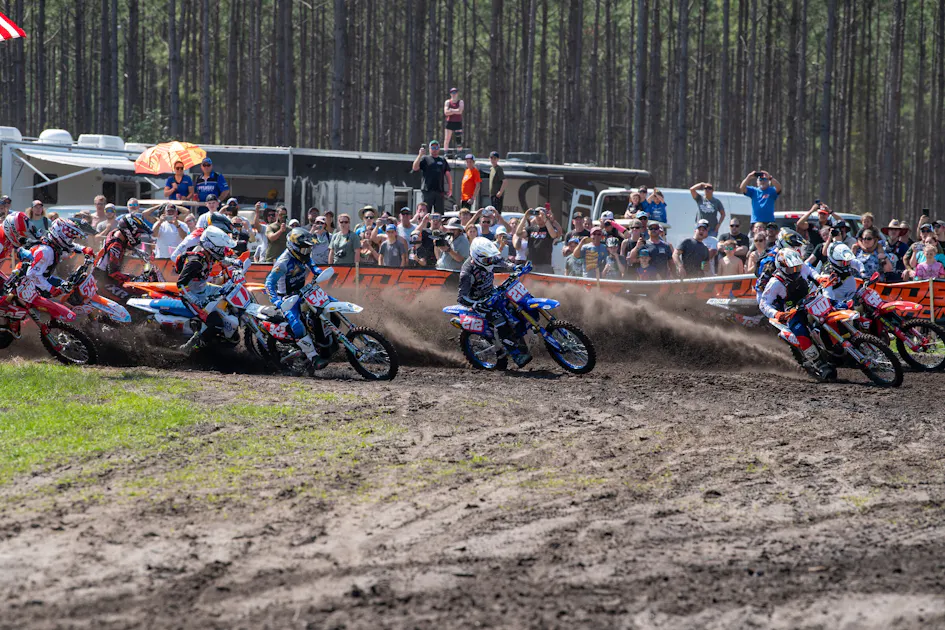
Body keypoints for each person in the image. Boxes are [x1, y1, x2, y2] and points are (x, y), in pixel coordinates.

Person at [457, 237, 532, 367]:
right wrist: (476, 304)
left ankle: (520, 339)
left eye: (490, 258)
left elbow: (501, 261)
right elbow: (461, 298)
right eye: (487, 260)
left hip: (492, 293)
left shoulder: (488, 258)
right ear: (477, 257)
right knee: (501, 321)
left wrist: (515, 267)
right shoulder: (467, 273)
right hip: (479, 303)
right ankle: (516, 355)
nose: (490, 261)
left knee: (514, 308)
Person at [758, 248, 831, 378]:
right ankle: (818, 363)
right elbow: (763, 303)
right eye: (791, 269)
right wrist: (776, 314)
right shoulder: (775, 282)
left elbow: (811, 271)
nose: (795, 271)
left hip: (812, 300)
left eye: (797, 267)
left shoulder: (801, 267)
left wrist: (819, 278)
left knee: (837, 306)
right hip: (793, 311)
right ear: (782, 268)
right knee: (800, 330)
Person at [265, 229, 329, 370]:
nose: (307, 252)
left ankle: (327, 339)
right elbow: (269, 283)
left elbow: (311, 264)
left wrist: (318, 272)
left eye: (308, 249)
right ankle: (313, 357)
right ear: (294, 247)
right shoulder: (283, 263)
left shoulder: (303, 256)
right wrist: (276, 301)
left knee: (329, 302)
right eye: (305, 249)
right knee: (297, 325)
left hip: (303, 292)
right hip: (288, 298)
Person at [176, 226, 240, 350]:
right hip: (191, 295)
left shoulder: (207, 254)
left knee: (231, 293)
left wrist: (233, 262)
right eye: (221, 248)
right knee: (215, 323)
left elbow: (222, 260)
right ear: (211, 246)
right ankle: (190, 347)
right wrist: (196, 301)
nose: (223, 251)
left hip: (203, 288)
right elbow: (181, 284)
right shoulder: (195, 262)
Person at [23, 219, 95, 302]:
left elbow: (70, 245)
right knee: (64, 306)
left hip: (43, 278)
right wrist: (51, 289)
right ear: (60, 234)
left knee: (69, 288)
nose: (71, 241)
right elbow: (32, 275)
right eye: (70, 238)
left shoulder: (52, 242)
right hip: (29, 287)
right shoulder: (46, 251)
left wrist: (83, 249)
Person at [94, 211, 153, 283]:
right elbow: (113, 272)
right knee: (135, 289)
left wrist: (137, 251)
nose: (138, 236)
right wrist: (133, 279)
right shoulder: (115, 246)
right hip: (102, 280)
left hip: (103, 275)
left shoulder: (118, 233)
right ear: (129, 231)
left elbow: (125, 244)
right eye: (138, 233)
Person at [513, 205, 560, 273]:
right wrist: (525, 217)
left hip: (544, 264)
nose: (538, 217)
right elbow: (518, 233)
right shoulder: (531, 229)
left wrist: (545, 219)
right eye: (536, 215)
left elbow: (553, 235)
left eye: (540, 215)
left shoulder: (550, 228)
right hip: (530, 264)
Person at [412, 140, 453, 213]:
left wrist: (450, 189)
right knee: (426, 212)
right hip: (427, 190)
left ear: (439, 149)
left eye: (436, 147)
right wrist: (420, 155)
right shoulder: (425, 159)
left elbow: (448, 175)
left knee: (439, 213)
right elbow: (415, 168)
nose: (435, 149)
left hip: (439, 191)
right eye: (433, 148)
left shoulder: (442, 160)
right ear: (429, 149)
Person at [443, 87, 464, 152]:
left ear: (457, 93)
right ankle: (445, 152)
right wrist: (456, 111)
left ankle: (459, 153)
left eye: (455, 92)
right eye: (452, 93)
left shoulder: (460, 102)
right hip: (449, 122)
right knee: (447, 139)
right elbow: (446, 112)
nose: (454, 94)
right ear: (450, 94)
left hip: (458, 122)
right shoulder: (447, 102)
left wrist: (451, 110)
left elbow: (460, 111)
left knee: (458, 140)